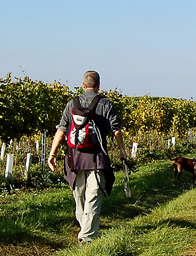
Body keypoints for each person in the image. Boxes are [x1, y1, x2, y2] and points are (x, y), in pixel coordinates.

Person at [47, 71, 133, 243]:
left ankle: (84, 230)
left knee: (79, 195)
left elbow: (61, 131)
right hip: (97, 160)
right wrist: (123, 150)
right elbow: (116, 130)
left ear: (83, 84)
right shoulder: (106, 104)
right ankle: (86, 237)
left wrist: (52, 153)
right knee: (93, 196)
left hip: (74, 159)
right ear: (99, 85)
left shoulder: (72, 103)